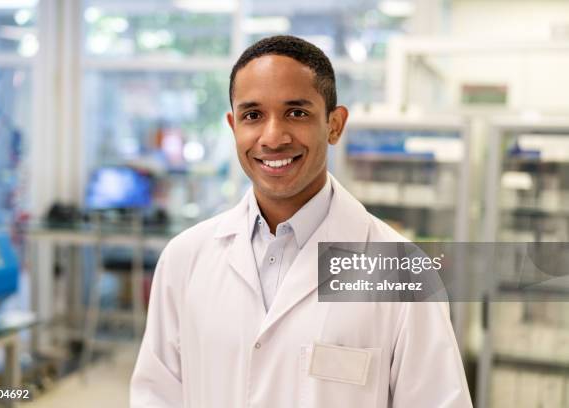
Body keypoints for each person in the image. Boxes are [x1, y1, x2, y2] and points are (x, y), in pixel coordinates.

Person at [131, 35, 472, 407]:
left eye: (297, 112)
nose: (273, 137)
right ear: (233, 127)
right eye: (253, 115)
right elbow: (156, 395)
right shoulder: (185, 258)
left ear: (335, 124)